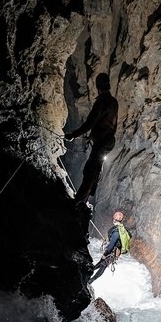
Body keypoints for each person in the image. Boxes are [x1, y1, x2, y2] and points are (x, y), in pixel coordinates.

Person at [65, 72, 118, 205]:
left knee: (90, 171)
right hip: (108, 140)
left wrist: (73, 135)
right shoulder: (113, 102)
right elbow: (113, 124)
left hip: (102, 141)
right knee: (94, 170)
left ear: (98, 86)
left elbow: (90, 122)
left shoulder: (102, 101)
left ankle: (78, 202)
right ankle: (84, 200)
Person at [89, 210, 131, 283]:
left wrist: (105, 254)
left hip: (111, 252)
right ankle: (89, 272)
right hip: (116, 252)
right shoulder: (123, 229)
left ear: (114, 220)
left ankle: (91, 280)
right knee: (101, 263)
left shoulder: (116, 232)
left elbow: (112, 244)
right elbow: (128, 236)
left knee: (103, 266)